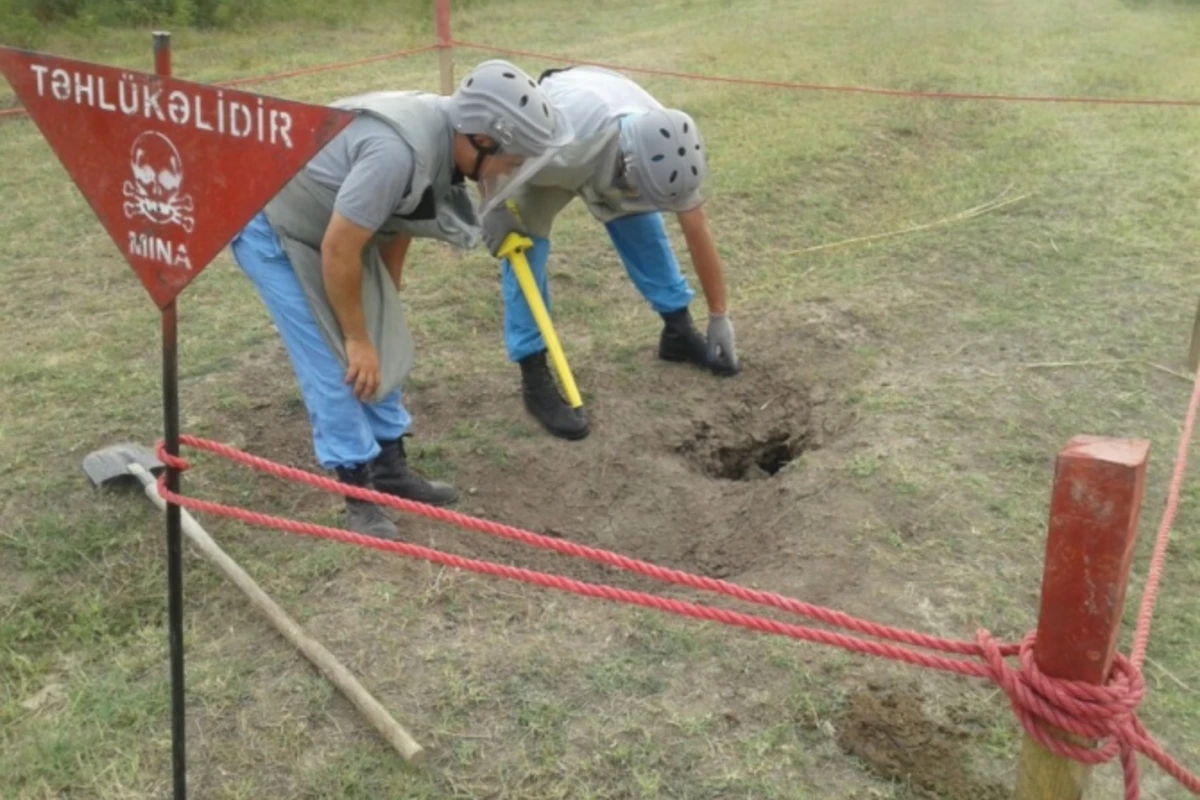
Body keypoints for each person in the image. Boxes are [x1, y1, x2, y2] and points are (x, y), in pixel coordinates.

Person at [229, 59, 572, 539]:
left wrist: (382, 302)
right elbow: (339, 248)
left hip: (334, 231)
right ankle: (359, 494)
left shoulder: (442, 139)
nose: (510, 171)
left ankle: (391, 471)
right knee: (337, 363)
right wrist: (356, 336)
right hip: (275, 228)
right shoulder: (395, 152)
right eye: (511, 161)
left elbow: (403, 215)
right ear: (484, 139)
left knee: (379, 341)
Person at [481, 64, 738, 442]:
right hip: (553, 155)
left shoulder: (668, 147)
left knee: (640, 224)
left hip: (606, 134)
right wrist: (495, 208)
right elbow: (489, 145)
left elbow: (696, 229)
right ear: (627, 166)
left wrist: (719, 314)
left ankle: (678, 331)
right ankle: (533, 371)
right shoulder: (552, 138)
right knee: (524, 249)